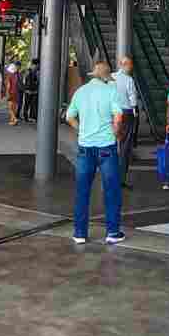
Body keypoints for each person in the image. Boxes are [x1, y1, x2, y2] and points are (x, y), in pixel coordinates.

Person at [65, 60, 125, 245]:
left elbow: (69, 117)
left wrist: (81, 129)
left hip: (85, 147)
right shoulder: (111, 91)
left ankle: (80, 233)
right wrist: (116, 132)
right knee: (111, 189)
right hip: (106, 146)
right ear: (107, 77)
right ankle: (113, 233)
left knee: (82, 190)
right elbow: (118, 117)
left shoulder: (81, 92)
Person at [111, 56, 138, 189]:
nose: (131, 67)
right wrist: (135, 109)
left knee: (110, 144)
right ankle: (121, 179)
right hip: (126, 114)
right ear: (124, 65)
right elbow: (133, 97)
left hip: (112, 114)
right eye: (130, 65)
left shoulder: (111, 78)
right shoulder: (129, 80)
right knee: (124, 146)